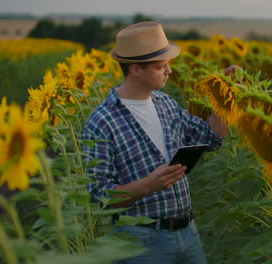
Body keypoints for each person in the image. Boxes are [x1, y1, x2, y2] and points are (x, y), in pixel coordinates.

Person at [81, 21, 234, 264]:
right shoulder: (101, 122)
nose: (169, 72)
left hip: (187, 231)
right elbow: (98, 197)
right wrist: (149, 184)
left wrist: (225, 97)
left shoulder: (165, 104)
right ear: (135, 70)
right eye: (161, 66)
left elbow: (209, 137)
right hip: (140, 241)